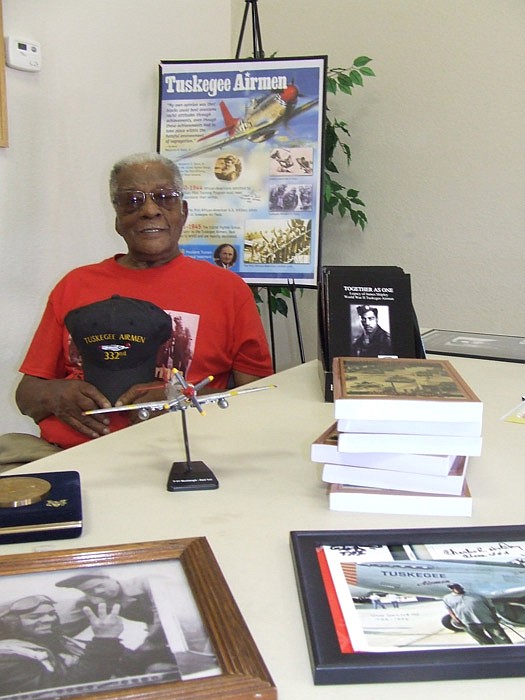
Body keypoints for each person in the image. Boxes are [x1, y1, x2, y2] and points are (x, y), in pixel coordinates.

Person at [7, 152, 273, 461]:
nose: (149, 210)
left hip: (179, 458)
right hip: (67, 456)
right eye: (132, 200)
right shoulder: (75, 285)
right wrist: (55, 396)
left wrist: (183, 398)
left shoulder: (227, 291)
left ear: (183, 212)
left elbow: (256, 401)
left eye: (165, 198)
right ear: (117, 219)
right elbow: (26, 396)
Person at [0, 594, 138, 695]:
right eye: (35, 617)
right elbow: (62, 692)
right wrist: (105, 639)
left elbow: (129, 663)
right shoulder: (7, 658)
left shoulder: (62, 643)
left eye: (51, 614)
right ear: (9, 624)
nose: (49, 619)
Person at [443, 583, 512, 645]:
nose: (456, 589)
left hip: (486, 619)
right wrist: (455, 618)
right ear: (451, 589)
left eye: (457, 587)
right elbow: (449, 609)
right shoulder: (447, 598)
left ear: (461, 587)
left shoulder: (475, 595)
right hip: (467, 622)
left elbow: (491, 606)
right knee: (481, 639)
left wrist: (494, 616)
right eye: (453, 588)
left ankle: (508, 649)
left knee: (501, 637)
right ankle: (490, 650)